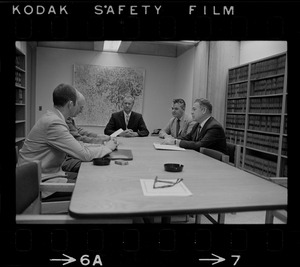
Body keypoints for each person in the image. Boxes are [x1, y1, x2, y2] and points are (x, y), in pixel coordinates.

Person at [18, 83, 118, 198]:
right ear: (70, 104)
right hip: (38, 184)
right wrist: (107, 147)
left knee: (91, 177)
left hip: (47, 175)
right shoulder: (54, 123)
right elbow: (84, 154)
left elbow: (78, 144)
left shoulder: (53, 118)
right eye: (78, 105)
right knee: (94, 186)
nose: (80, 110)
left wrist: (102, 146)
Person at [61, 91, 111, 173]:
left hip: (67, 159)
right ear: (71, 104)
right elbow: (78, 141)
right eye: (80, 107)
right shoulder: (58, 122)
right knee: (94, 170)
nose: (81, 111)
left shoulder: (67, 118)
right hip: (64, 162)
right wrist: (105, 146)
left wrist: (99, 137)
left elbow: (78, 132)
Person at [162, 98, 227, 154]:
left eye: (194, 109)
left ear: (203, 110)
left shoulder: (214, 127)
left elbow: (199, 145)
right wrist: (171, 139)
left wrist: (175, 142)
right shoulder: (198, 125)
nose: (191, 112)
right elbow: (187, 137)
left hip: (215, 163)